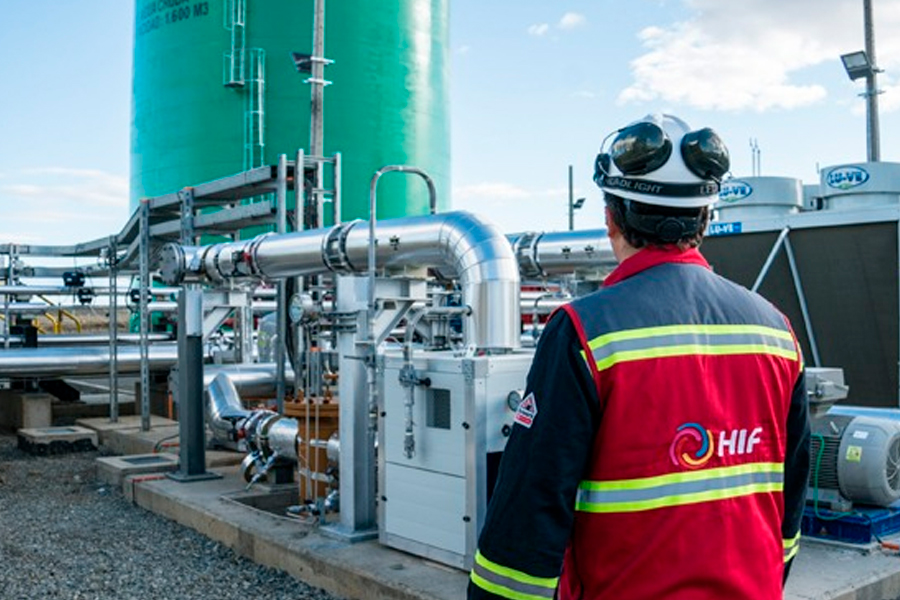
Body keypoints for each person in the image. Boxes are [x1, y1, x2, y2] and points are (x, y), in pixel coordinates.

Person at [468, 113, 810, 600]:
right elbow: (789, 501)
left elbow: (529, 512)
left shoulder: (584, 332)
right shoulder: (776, 331)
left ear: (610, 218)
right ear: (705, 220)